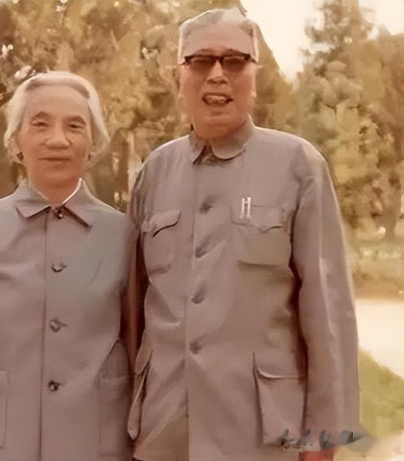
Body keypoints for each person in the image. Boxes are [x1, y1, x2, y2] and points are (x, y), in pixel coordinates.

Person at [124, 8, 361, 461]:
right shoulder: (155, 171)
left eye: (234, 61)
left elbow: (328, 315)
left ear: (256, 76)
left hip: (262, 436)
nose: (217, 74)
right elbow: (133, 311)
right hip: (164, 431)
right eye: (201, 61)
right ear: (178, 76)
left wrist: (325, 436)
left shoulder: (297, 165)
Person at [0, 71, 133, 461]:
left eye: (75, 126)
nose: (57, 139)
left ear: (94, 142)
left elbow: (140, 354)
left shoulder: (122, 235)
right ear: (16, 141)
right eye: (40, 124)